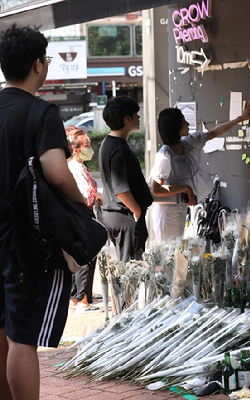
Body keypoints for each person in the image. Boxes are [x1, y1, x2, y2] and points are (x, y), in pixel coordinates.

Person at [0, 24, 87, 399]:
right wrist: (80, 203)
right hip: (24, 242)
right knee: (22, 339)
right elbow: (55, 170)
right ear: (38, 65)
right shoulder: (42, 112)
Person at [151, 101, 250, 241]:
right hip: (167, 212)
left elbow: (213, 133)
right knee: (168, 252)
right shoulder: (165, 155)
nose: (187, 124)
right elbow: (156, 190)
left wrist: (240, 119)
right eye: (183, 123)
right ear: (174, 128)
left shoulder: (189, 143)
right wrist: (187, 188)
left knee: (177, 251)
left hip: (181, 207)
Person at [99, 96, 153, 263]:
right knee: (130, 270)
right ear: (127, 119)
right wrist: (136, 211)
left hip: (116, 215)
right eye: (136, 114)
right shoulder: (118, 149)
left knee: (128, 268)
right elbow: (121, 190)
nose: (139, 117)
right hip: (125, 217)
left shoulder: (108, 143)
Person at [66, 126, 101, 312]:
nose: (90, 148)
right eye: (86, 145)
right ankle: (83, 300)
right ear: (76, 149)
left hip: (77, 217)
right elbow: (85, 195)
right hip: (83, 216)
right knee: (86, 257)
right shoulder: (76, 168)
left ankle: (75, 298)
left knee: (77, 256)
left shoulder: (75, 165)